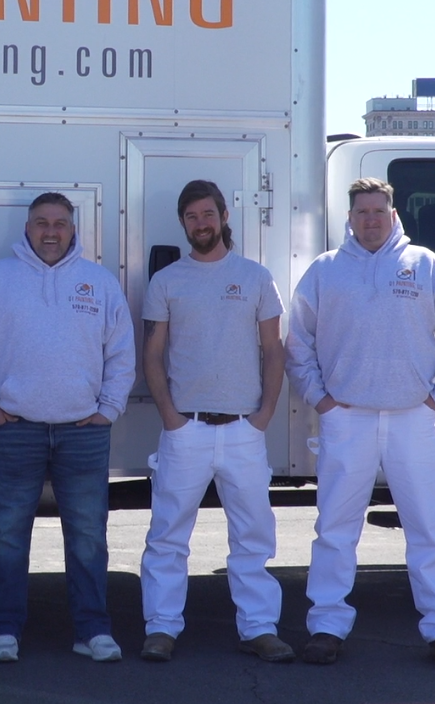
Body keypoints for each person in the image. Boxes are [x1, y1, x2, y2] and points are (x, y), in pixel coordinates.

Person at [285, 177, 435, 672]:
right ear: (349, 219)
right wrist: (320, 399)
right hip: (345, 419)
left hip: (414, 419)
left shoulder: (424, 264)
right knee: (334, 529)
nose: (370, 220)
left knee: (430, 529)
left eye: (379, 211)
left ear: (393, 216)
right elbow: (298, 342)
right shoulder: (326, 271)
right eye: (361, 212)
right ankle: (327, 625)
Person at [0, 192, 136, 664]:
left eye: (60, 222)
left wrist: (108, 409)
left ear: (74, 229)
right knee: (8, 534)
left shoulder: (97, 282)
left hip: (83, 430)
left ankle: (92, 630)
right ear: (27, 227)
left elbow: (120, 350)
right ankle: (4, 631)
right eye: (41, 222)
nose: (51, 231)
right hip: (13, 429)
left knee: (87, 536)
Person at [138, 180, 293, 665]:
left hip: (244, 430)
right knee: (167, 536)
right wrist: (170, 417)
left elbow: (274, 351)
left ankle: (259, 627)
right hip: (186, 430)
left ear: (225, 216)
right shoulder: (167, 282)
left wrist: (263, 416)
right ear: (183, 224)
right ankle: (161, 628)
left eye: (208, 214)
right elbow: (154, 354)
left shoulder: (255, 277)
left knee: (253, 535)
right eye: (191, 217)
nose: (201, 224)